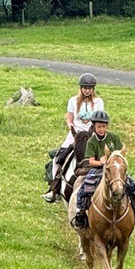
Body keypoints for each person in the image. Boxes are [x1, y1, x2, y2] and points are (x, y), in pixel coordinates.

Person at [70, 110, 135, 229]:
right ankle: (80, 214)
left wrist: (114, 161)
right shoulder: (91, 141)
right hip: (98, 169)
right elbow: (90, 161)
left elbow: (121, 155)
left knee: (134, 185)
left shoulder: (114, 138)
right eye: (99, 126)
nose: (101, 129)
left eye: (104, 126)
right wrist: (100, 162)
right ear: (94, 127)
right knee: (85, 188)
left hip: (114, 169)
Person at [43, 73, 104, 202]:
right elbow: (69, 118)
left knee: (105, 159)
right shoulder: (72, 101)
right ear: (81, 88)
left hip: (91, 136)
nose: (87, 90)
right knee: (57, 158)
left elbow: (99, 121)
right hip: (75, 135)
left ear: (93, 89)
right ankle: (55, 188)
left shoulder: (99, 102)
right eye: (85, 88)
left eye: (90, 88)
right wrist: (72, 127)